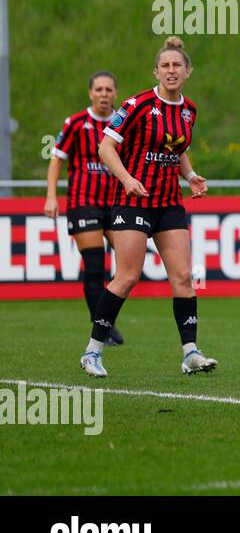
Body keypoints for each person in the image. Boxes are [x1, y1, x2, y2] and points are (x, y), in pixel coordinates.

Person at [80, 36, 216, 378]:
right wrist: (126, 179)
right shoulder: (137, 104)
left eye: (177, 66)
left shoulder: (189, 110)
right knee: (126, 277)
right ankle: (92, 351)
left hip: (169, 202)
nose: (171, 71)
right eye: (165, 66)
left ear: (188, 72)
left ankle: (190, 353)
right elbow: (105, 147)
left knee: (184, 277)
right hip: (132, 201)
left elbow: (176, 147)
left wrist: (191, 174)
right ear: (156, 71)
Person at [46, 70, 124, 345]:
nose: (104, 94)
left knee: (129, 265)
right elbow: (57, 159)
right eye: (99, 90)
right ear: (90, 93)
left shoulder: (122, 123)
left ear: (115, 93)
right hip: (84, 203)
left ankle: (105, 319)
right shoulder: (76, 123)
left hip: (116, 204)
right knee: (94, 266)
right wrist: (51, 196)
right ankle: (102, 327)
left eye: (108, 90)